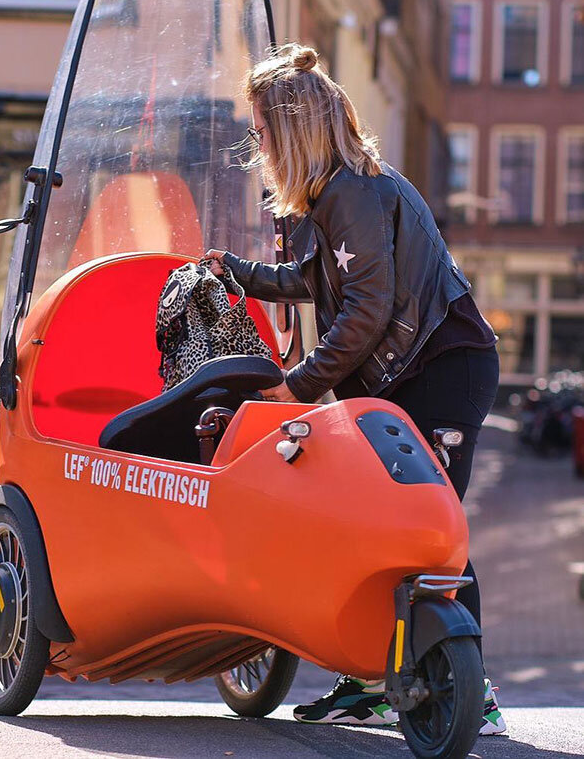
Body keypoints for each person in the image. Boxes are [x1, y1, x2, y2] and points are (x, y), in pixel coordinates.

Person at [203, 43, 505, 736]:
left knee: (431, 530)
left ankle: (471, 693)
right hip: (404, 373)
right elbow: (315, 280)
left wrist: (298, 389)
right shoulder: (338, 195)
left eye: (262, 131)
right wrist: (236, 273)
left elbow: (366, 312)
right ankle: (372, 680)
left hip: (444, 366)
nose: (258, 145)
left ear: (293, 130)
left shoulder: (351, 193)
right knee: (369, 521)